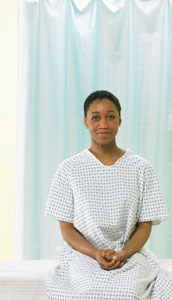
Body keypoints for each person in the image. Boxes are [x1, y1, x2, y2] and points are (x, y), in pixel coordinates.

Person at [44, 90, 171, 300]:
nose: (103, 124)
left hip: (130, 255)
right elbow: (66, 228)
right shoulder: (69, 169)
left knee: (130, 291)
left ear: (120, 120)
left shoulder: (140, 168)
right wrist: (95, 253)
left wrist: (123, 254)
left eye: (110, 116)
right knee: (87, 290)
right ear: (85, 121)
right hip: (84, 255)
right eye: (95, 117)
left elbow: (144, 225)